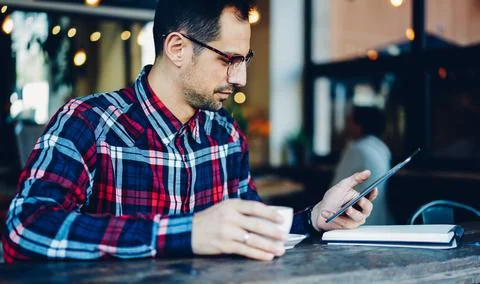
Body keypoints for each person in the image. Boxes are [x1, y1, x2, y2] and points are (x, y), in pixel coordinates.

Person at [2, 0, 377, 263]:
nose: (241, 78)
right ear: (177, 48)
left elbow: (250, 227)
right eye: (229, 59)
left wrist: (313, 219)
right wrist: (186, 233)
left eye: (244, 60)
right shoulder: (87, 123)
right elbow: (24, 230)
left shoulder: (226, 135)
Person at [331, 105, 393, 225]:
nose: (345, 125)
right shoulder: (382, 147)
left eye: (349, 120)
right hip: (380, 218)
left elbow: (335, 188)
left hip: (356, 220)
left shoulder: (357, 149)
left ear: (359, 124)